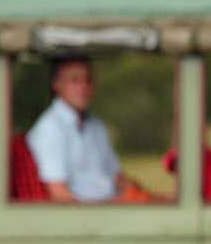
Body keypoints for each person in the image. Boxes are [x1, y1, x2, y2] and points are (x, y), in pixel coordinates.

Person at [24, 55, 152, 203]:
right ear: (57, 84)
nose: (83, 87)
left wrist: (145, 197)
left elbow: (118, 177)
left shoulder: (96, 125)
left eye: (88, 80)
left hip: (115, 206)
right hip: (91, 217)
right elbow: (60, 195)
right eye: (74, 80)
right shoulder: (50, 129)